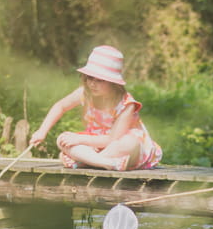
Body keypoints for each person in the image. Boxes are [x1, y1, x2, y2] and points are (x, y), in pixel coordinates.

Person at [29, 45, 162, 171]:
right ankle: (106, 163)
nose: (93, 84)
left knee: (129, 143)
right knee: (62, 139)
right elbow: (60, 106)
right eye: (90, 78)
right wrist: (42, 131)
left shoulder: (126, 104)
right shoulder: (85, 93)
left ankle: (86, 161)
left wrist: (80, 139)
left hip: (117, 145)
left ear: (113, 82)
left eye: (100, 80)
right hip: (98, 146)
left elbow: (112, 140)